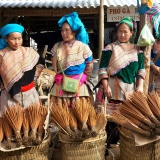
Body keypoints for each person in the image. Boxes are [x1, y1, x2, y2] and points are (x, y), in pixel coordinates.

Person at [95, 17, 146, 153]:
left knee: (125, 121)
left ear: (131, 33)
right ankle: (105, 147)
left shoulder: (137, 51)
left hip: (129, 91)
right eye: (120, 32)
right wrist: (105, 85)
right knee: (108, 120)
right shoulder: (110, 48)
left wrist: (140, 87)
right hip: (111, 88)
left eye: (125, 32)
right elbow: (102, 69)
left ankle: (123, 146)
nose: (122, 35)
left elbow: (141, 70)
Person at [50, 12, 93, 112]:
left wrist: (84, 77)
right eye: (62, 30)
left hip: (79, 82)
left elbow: (89, 63)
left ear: (74, 32)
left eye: (67, 30)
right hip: (61, 82)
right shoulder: (57, 46)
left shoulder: (82, 46)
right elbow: (54, 65)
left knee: (79, 112)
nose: (63, 33)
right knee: (60, 112)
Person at [0, 23, 44, 112]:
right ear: (6, 39)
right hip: (10, 98)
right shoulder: (2, 55)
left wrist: (35, 76)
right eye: (13, 39)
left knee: (31, 123)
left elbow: (41, 62)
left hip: (30, 95)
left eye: (19, 39)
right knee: (11, 124)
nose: (17, 42)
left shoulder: (29, 52)